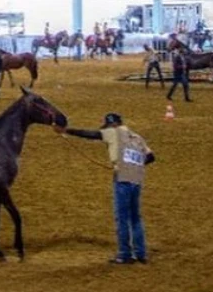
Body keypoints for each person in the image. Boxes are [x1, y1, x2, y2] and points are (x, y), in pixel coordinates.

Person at [62, 113, 155, 264]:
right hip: (137, 180)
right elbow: (151, 157)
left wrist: (67, 130)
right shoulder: (137, 137)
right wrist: (133, 164)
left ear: (112, 124)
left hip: (122, 179)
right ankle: (140, 253)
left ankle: (124, 254)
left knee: (122, 217)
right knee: (135, 217)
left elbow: (92, 134)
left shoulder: (113, 132)